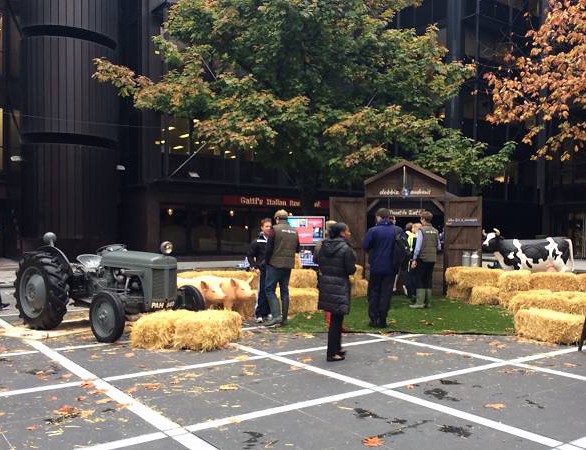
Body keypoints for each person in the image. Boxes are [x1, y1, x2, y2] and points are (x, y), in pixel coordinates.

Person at [315, 222, 356, 362]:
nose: (349, 233)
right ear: (342, 233)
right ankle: (332, 352)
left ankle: (337, 348)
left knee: (336, 318)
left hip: (326, 283)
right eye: (348, 231)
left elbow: (316, 260)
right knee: (336, 320)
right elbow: (351, 269)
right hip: (339, 283)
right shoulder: (345, 248)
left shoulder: (323, 245)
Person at [263, 209, 300, 327]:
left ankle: (276, 316)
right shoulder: (295, 231)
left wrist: (266, 261)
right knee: (284, 290)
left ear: (277, 219)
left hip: (274, 264)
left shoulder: (275, 229)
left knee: (269, 289)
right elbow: (297, 249)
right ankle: (284, 318)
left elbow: (269, 248)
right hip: (288, 265)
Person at [362, 208, 396, 328]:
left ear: (378, 217)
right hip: (391, 266)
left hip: (376, 266)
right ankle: (383, 319)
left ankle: (373, 319)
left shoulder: (373, 230)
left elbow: (365, 245)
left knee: (374, 292)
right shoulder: (396, 231)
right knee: (386, 293)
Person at [410, 212, 441, 309]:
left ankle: (420, 303)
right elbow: (439, 246)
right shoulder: (435, 231)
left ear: (423, 219)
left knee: (420, 279)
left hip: (422, 258)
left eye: (421, 218)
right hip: (432, 259)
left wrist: (414, 258)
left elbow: (418, 247)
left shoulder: (421, 230)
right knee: (428, 279)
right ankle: (428, 303)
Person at [247, 218, 272, 323]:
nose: (269, 228)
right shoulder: (257, 241)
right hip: (262, 270)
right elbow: (250, 255)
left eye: (270, 226)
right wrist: (254, 267)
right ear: (262, 227)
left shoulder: (273, 239)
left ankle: (268, 312)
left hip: (272, 270)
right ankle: (259, 314)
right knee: (261, 291)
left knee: (270, 291)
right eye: (266, 226)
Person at [314, 220, 337, 329]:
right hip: (337, 274)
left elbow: (315, 259)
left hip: (324, 272)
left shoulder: (320, 243)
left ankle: (328, 320)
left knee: (327, 298)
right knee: (337, 298)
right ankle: (336, 322)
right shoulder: (341, 243)